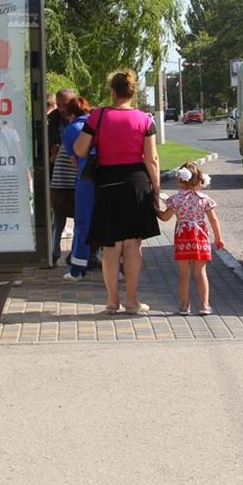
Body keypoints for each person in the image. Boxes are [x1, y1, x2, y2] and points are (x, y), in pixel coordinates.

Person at [73, 70, 160, 315]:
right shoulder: (145, 119)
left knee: (111, 247)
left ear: (113, 91)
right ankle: (132, 301)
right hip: (136, 183)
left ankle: (112, 302)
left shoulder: (97, 116)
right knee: (133, 245)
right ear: (133, 92)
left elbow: (80, 150)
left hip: (107, 183)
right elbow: (151, 159)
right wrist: (155, 190)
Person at [156, 162, 223, 315]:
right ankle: (205, 305)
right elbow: (213, 220)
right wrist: (218, 238)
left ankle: (185, 306)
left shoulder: (176, 200)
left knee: (184, 273)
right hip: (200, 236)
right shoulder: (204, 199)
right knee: (200, 272)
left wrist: (156, 210)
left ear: (181, 180)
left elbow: (166, 218)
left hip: (182, 236)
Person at [62, 96, 95, 280]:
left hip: (86, 179)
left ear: (71, 114)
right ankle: (120, 269)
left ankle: (78, 269)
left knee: (82, 223)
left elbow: (74, 161)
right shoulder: (98, 125)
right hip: (107, 177)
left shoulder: (70, 130)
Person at [49, 102, 77, 262]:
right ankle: (74, 255)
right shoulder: (79, 132)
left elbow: (53, 159)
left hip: (59, 184)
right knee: (80, 221)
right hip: (72, 186)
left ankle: (53, 253)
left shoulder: (68, 132)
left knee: (57, 222)